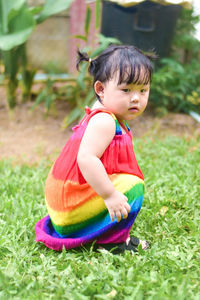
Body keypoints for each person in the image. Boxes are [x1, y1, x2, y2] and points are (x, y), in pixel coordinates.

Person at [35, 44, 154, 254]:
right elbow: (86, 159)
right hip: (68, 210)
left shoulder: (107, 115)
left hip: (64, 208)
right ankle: (114, 243)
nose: (135, 98)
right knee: (133, 186)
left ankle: (98, 226)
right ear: (100, 89)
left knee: (126, 183)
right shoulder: (104, 122)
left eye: (142, 90)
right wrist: (109, 195)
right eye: (126, 90)